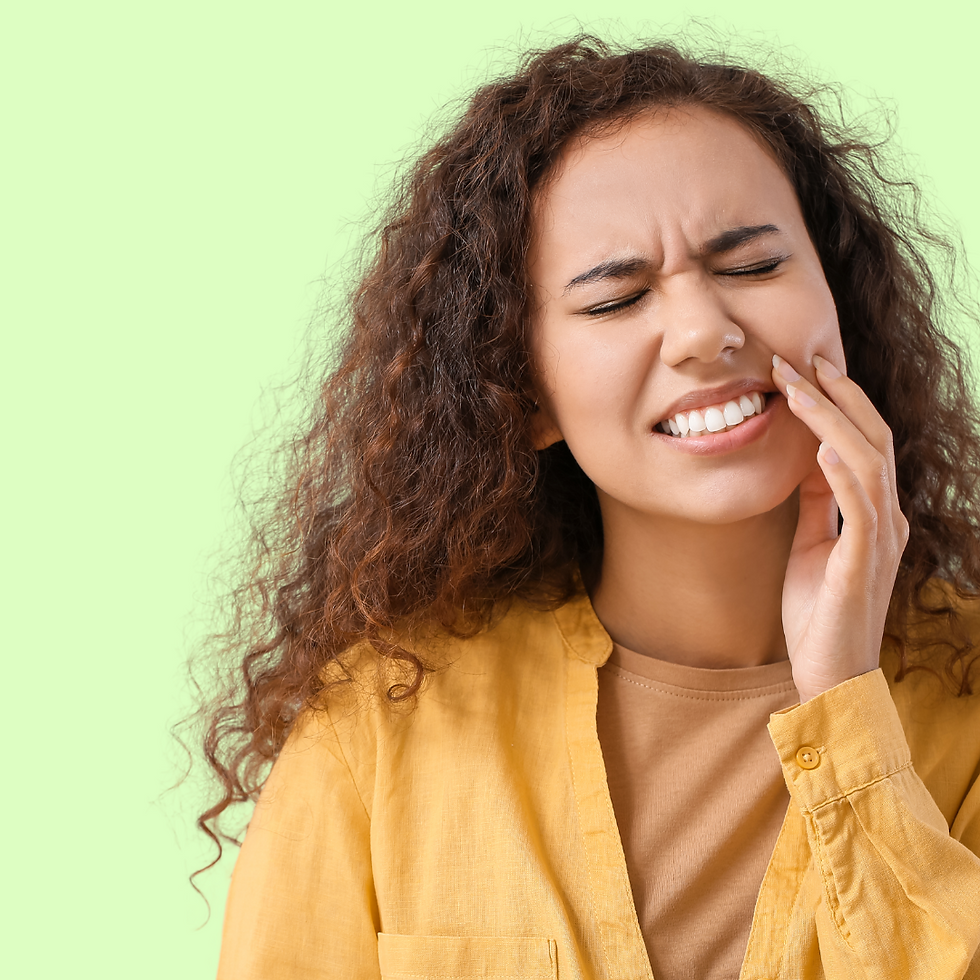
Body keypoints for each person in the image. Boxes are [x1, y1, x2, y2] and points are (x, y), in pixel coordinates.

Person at [201, 36, 980, 979]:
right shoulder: (373, 730)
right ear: (520, 394)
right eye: (616, 299)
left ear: (838, 300)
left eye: (752, 265)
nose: (703, 331)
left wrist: (848, 709)